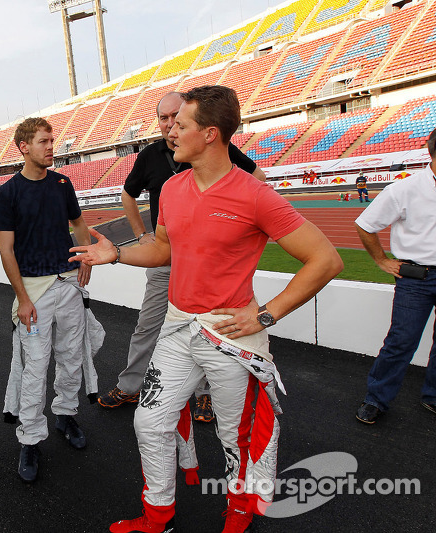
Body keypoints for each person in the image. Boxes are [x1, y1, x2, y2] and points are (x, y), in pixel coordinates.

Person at [71, 86, 343, 533]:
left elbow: (325, 259)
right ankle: (158, 515)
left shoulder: (255, 195)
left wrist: (265, 315)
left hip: (229, 333)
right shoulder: (174, 188)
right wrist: (116, 254)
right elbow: (162, 250)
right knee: (149, 421)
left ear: (211, 134)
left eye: (180, 126)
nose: (170, 134)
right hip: (178, 327)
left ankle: (238, 513)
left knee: (233, 437)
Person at [99, 91, 266, 426]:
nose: (170, 125)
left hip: (206, 263)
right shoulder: (151, 157)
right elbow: (128, 195)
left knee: (211, 326)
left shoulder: (216, 151)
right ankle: (131, 385)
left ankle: (204, 396)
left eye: (177, 117)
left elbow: (257, 179)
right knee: (150, 324)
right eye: (164, 118)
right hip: (164, 257)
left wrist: (233, 220)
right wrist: (137, 236)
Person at [0, 117, 94, 483]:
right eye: (43, 141)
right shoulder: (8, 193)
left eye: (52, 140)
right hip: (34, 291)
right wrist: (22, 298)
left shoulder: (63, 183)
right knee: (35, 368)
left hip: (68, 285)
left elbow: (79, 224)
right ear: (23, 147)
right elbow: (6, 251)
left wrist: (85, 257)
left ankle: (66, 415)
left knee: (70, 357)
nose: (51, 146)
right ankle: (31, 438)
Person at [354, 127, 436, 424]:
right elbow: (366, 224)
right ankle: (376, 399)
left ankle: (433, 396)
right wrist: (382, 261)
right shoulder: (404, 189)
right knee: (402, 341)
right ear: (432, 152)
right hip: (416, 278)